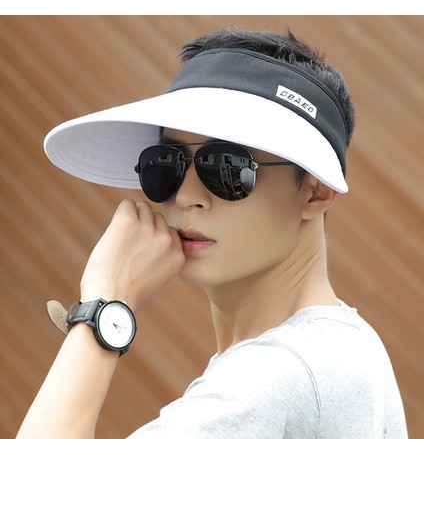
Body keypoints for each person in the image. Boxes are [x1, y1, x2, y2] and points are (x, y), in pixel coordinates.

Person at [17, 27, 407, 439]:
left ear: (316, 192)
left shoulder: (271, 381)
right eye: (166, 163)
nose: (186, 196)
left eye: (225, 166)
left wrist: (105, 308)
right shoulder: (347, 345)